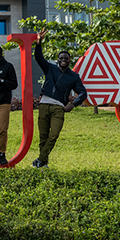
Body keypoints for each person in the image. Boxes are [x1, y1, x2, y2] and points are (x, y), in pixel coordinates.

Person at [32, 29, 87, 168]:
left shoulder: (73, 76)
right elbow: (38, 57)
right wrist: (39, 42)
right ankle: (42, 163)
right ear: (57, 60)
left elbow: (83, 93)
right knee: (43, 137)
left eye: (66, 58)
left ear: (69, 60)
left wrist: (73, 104)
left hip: (58, 108)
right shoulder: (50, 68)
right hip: (44, 104)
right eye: (61, 58)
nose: (63, 60)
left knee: (54, 135)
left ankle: (39, 160)